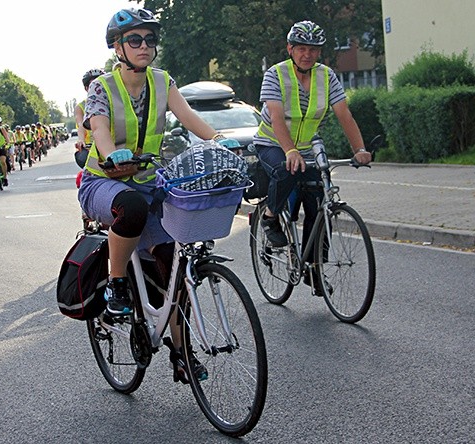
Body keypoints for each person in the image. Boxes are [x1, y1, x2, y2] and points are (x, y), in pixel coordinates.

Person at [80, 8, 237, 382]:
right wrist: (109, 152)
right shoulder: (102, 87)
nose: (144, 46)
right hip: (103, 182)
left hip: (149, 183)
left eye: (150, 39)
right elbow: (99, 129)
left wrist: (218, 140)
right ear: (118, 47)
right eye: (135, 39)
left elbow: (190, 118)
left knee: (173, 266)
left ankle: (182, 354)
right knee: (130, 206)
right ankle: (116, 282)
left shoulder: (163, 81)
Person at [252, 20, 372, 291]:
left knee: (320, 203)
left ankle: (314, 269)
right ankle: (270, 216)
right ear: (290, 49)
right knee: (285, 170)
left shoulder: (326, 76)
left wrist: (360, 150)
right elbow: (277, 118)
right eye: (302, 48)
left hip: (307, 146)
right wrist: (290, 150)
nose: (308, 54)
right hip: (272, 143)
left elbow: (344, 114)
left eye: (314, 49)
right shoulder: (276, 74)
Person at [75, 68, 105, 167]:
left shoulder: (114, 102)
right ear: (87, 88)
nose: (97, 88)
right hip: (91, 148)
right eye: (93, 85)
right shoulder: (81, 107)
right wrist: (81, 140)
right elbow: (81, 126)